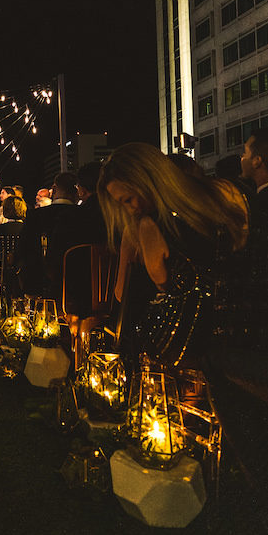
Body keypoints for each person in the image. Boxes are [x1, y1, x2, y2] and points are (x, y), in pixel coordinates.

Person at [99, 142, 247, 367]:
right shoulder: (224, 193)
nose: (131, 209)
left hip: (185, 348)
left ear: (148, 180)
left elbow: (125, 294)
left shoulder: (149, 226)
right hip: (240, 330)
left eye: (128, 199)